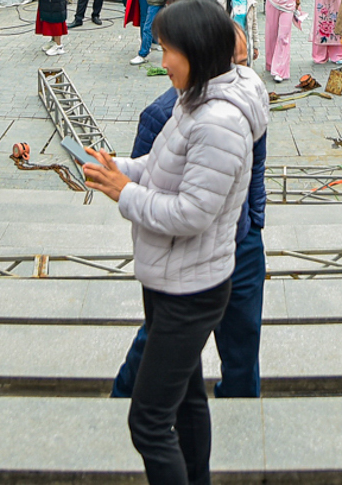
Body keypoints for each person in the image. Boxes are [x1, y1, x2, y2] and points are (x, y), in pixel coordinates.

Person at [81, 0, 266, 485]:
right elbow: (161, 166)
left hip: (192, 288)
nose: (162, 63)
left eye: (168, 51)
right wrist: (117, 168)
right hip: (174, 278)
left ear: (198, 51)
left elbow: (191, 213)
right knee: (186, 401)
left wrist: (125, 194)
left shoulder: (217, 122)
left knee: (147, 421)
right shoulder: (196, 98)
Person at [109, 20, 267, 401]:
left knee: (241, 352)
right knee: (163, 352)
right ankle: (122, 400)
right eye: (236, 62)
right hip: (184, 260)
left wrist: (256, 220)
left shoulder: (243, 99)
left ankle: (243, 414)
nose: (242, 72)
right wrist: (122, 180)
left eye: (246, 61)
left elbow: (253, 168)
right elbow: (153, 181)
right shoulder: (166, 111)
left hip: (239, 242)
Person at [258, 0, 299, 84]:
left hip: (287, 6)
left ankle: (280, 71)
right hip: (272, 5)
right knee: (271, 35)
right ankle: (270, 64)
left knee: (283, 37)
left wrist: (297, 3)